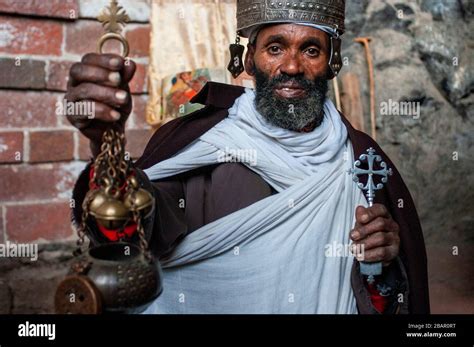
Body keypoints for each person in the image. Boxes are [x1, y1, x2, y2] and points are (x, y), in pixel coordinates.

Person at [65, 0, 429, 314]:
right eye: (275, 48)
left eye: (311, 50)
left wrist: (384, 258)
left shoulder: (362, 157)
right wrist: (104, 142)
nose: (291, 66)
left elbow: (388, 290)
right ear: (249, 60)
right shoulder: (201, 141)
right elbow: (136, 231)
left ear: (332, 62)